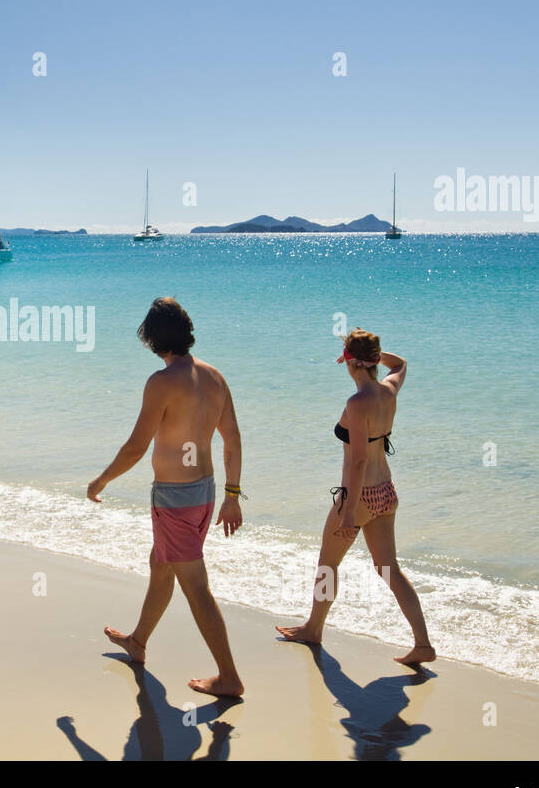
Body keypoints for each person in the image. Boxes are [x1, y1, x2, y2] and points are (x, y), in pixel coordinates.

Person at [87, 297, 245, 697]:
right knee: (161, 564)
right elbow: (233, 438)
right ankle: (138, 641)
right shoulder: (214, 377)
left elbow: (136, 447)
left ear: (154, 338)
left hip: (175, 500)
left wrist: (101, 480)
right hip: (205, 492)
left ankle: (229, 676)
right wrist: (232, 495)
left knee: (196, 587)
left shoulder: (161, 382)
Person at [276, 328, 435, 665]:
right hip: (386, 491)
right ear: (374, 361)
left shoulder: (356, 402)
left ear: (349, 361)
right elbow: (400, 364)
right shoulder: (389, 390)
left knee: (328, 564)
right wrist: (372, 354)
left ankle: (313, 629)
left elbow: (359, 460)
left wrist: (348, 511)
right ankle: (423, 643)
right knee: (390, 570)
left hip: (359, 496)